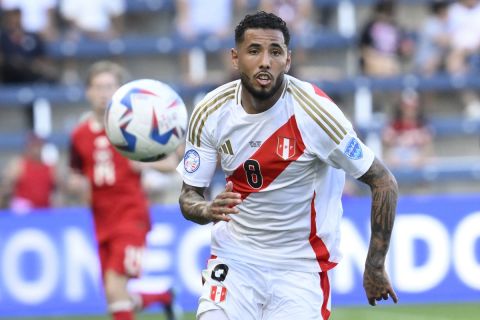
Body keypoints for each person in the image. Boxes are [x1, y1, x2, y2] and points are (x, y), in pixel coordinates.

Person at [177, 11, 399, 320]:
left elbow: (384, 181)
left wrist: (375, 265)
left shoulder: (316, 114)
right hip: (237, 258)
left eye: (275, 51)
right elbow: (189, 196)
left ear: (288, 60)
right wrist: (207, 209)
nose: (265, 60)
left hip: (300, 267)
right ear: (235, 57)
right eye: (254, 50)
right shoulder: (209, 112)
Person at [68, 60, 178, 320]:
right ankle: (162, 297)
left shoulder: (135, 127)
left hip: (131, 217)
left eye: (110, 86)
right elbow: (75, 173)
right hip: (101, 220)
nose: (104, 92)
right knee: (114, 297)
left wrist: (142, 162)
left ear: (120, 91)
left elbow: (171, 162)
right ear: (88, 92)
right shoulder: (79, 135)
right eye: (98, 86)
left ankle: (161, 297)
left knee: (114, 286)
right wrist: (76, 184)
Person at [0, 133, 57, 214]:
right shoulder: (19, 165)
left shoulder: (50, 168)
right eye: (34, 145)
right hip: (24, 212)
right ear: (28, 146)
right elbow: (6, 187)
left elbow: (57, 191)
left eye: (39, 145)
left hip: (44, 211)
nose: (36, 148)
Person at [382, 89, 434, 169]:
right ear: (401, 107)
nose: (410, 110)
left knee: (429, 161)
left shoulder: (423, 124)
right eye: (407, 107)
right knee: (391, 159)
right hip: (398, 157)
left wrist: (422, 157)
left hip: (417, 157)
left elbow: (428, 147)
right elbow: (386, 146)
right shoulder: (394, 124)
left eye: (413, 107)